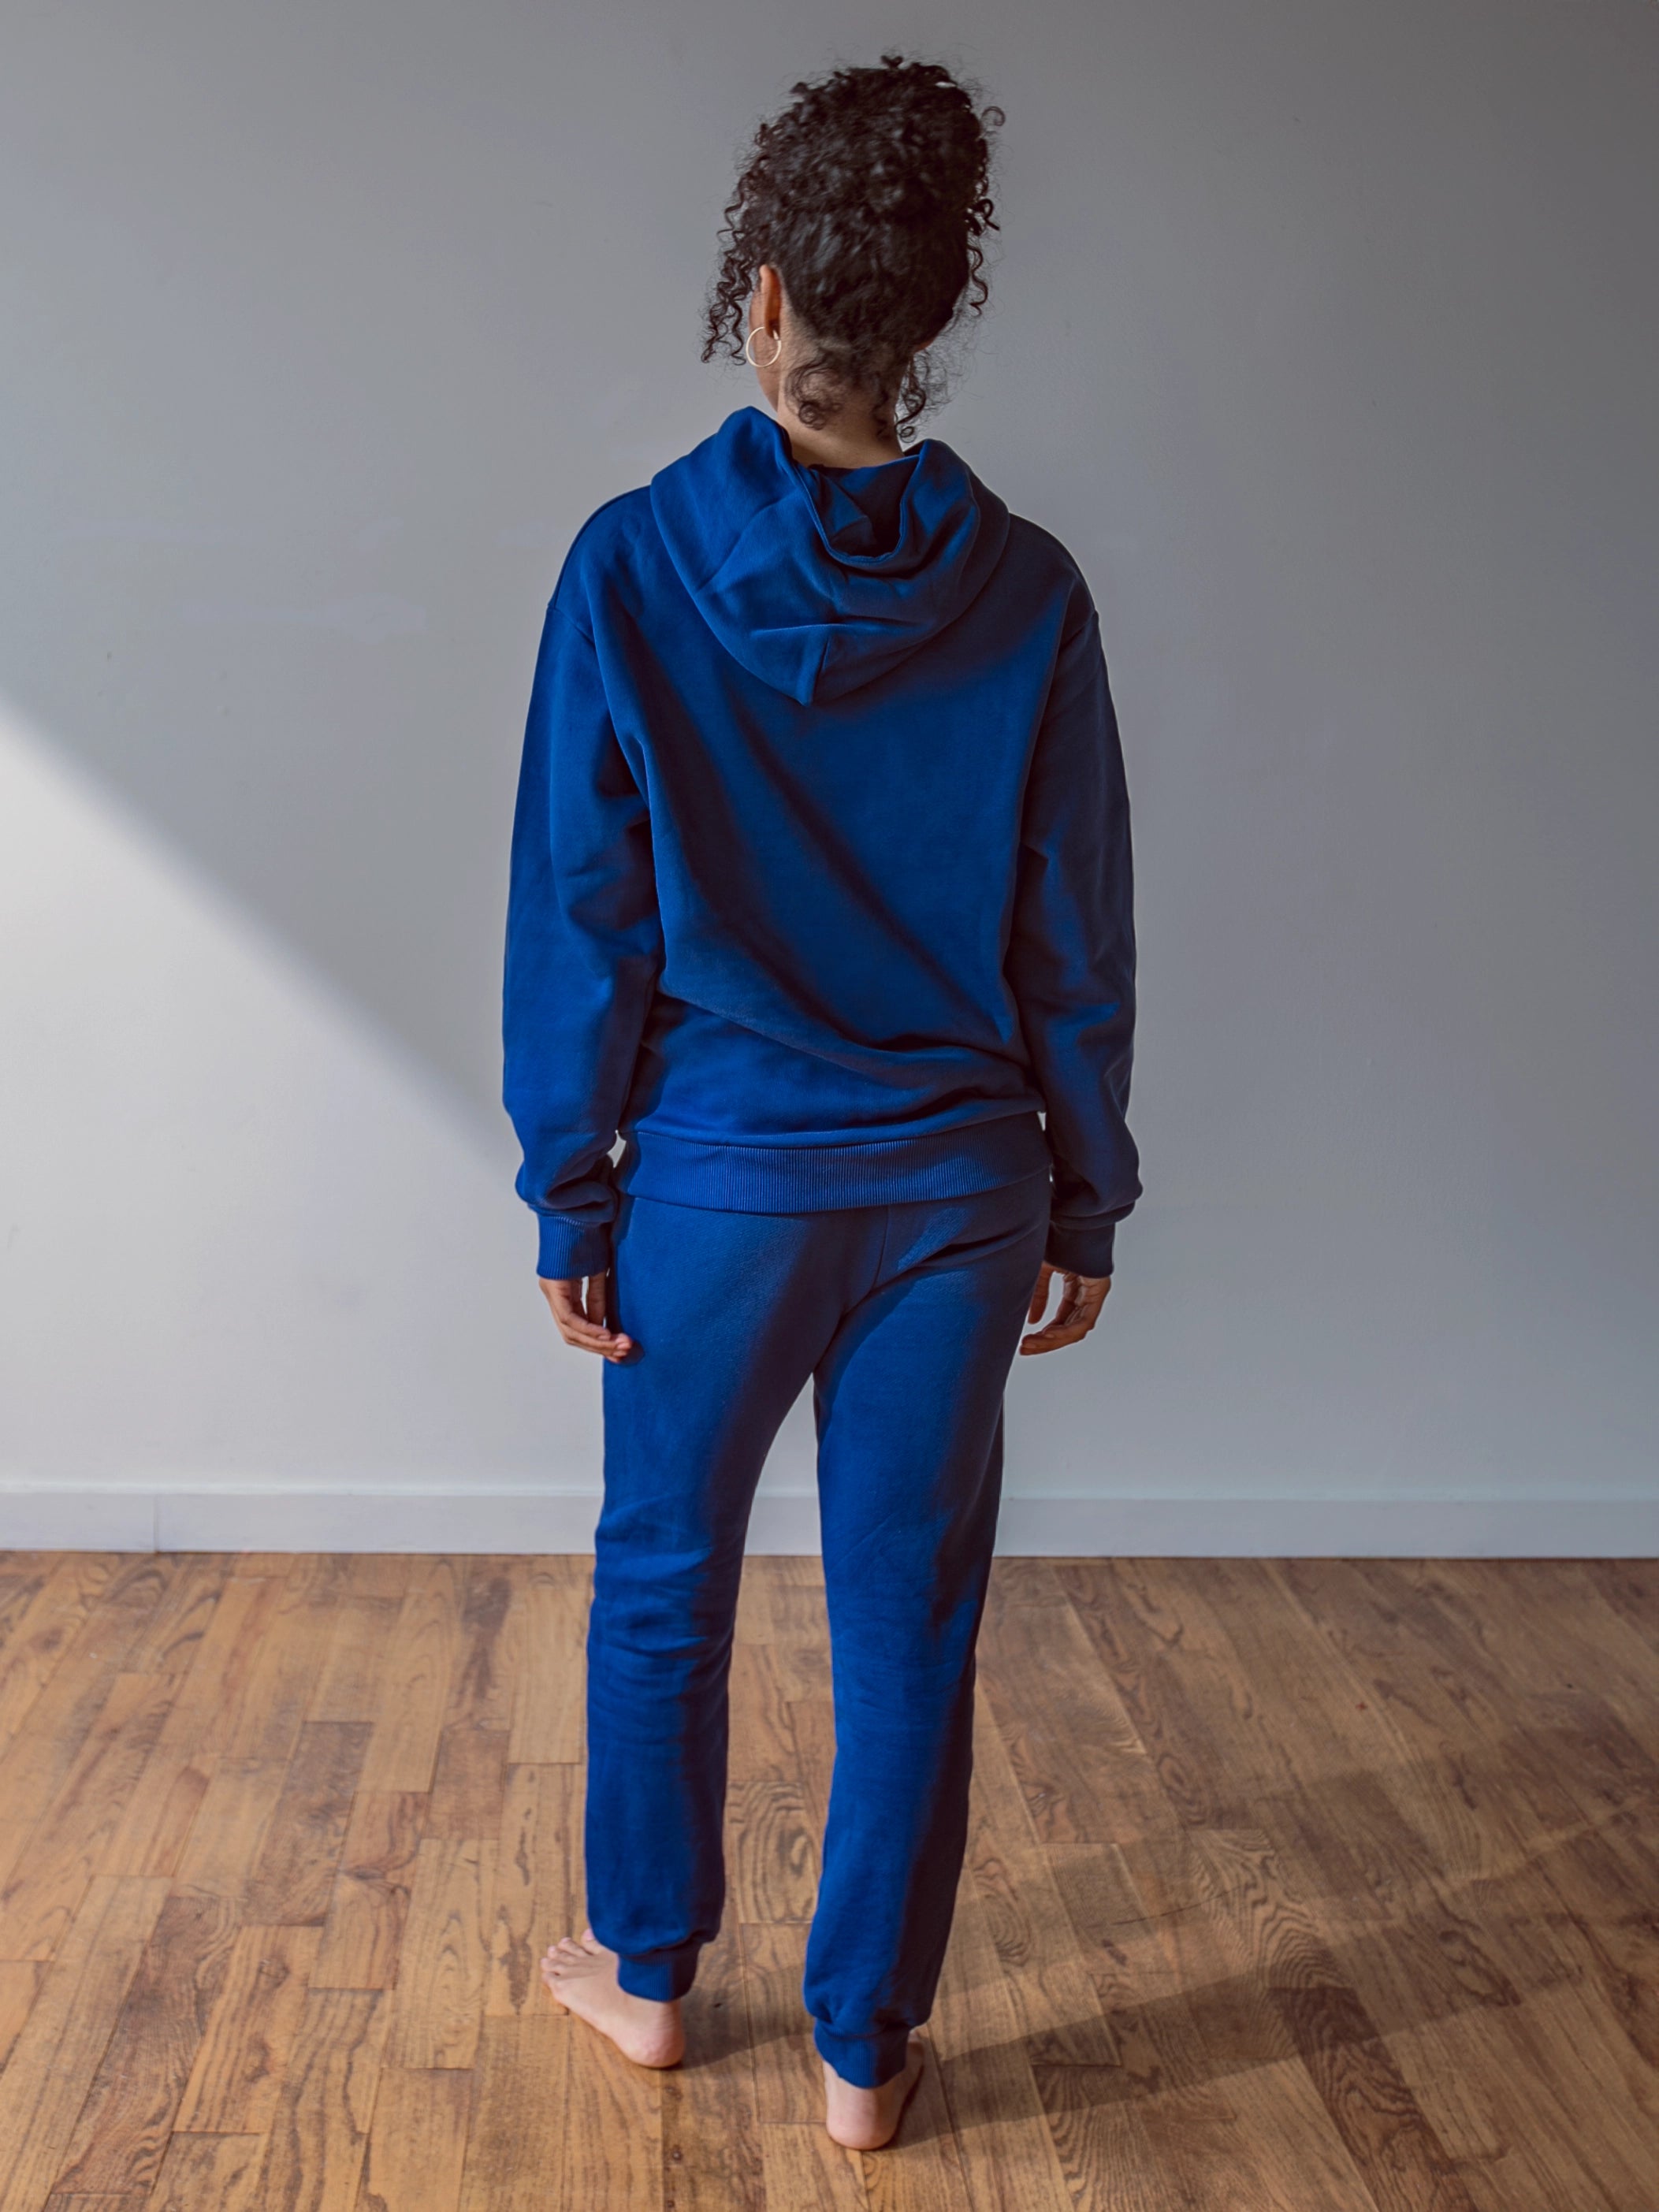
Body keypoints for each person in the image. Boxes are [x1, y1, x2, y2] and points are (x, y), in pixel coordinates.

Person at [501, 54, 1139, 2154]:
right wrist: (1085, 1193)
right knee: (908, 1624)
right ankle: (869, 2058)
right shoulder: (1027, 591)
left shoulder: (623, 569)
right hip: (957, 1194)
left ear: (761, 297)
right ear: (927, 321)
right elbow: (1070, 930)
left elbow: (581, 916)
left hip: (713, 1184)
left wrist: (567, 1191)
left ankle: (650, 1979)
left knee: (664, 1575)